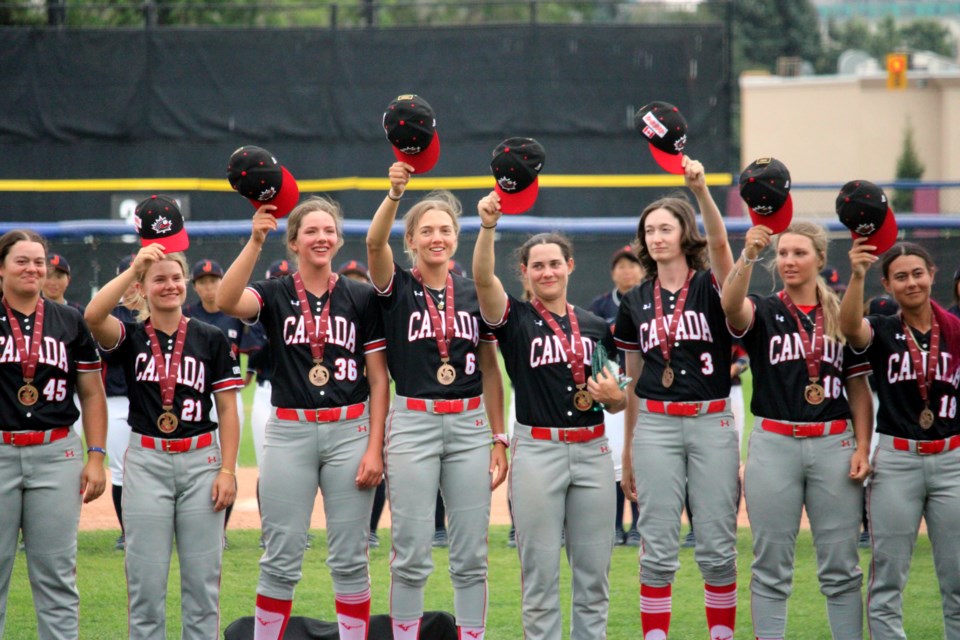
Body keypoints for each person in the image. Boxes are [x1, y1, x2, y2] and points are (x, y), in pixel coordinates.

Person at [218, 196, 388, 640]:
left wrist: (375, 446)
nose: (321, 238)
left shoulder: (360, 295)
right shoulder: (274, 293)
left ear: (337, 239)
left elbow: (378, 378)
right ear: (293, 242)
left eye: (328, 230)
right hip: (291, 430)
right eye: (310, 231)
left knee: (351, 557)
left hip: (351, 430)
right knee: (280, 556)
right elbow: (225, 299)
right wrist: (256, 240)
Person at [473, 196, 625, 638]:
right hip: (538, 451)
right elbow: (483, 279)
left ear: (570, 266)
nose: (547, 272)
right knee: (539, 579)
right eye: (536, 266)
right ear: (524, 273)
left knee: (593, 579)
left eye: (554, 263)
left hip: (594, 450)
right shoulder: (514, 318)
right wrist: (487, 229)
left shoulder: (595, 325)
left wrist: (616, 397)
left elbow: (613, 399)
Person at [366, 162, 507, 640]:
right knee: (410, 551)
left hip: (469, 425)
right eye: (426, 231)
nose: (436, 237)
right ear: (411, 240)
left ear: (456, 237)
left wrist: (499, 436)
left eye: (445, 229)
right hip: (413, 422)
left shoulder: (474, 292)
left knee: (471, 554)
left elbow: (491, 369)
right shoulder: (397, 288)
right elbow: (372, 245)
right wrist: (394, 194)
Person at [722, 221, 873, 640]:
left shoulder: (842, 312)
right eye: (783, 253)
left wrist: (862, 446)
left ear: (821, 259)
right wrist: (749, 255)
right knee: (770, 564)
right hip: (775, 442)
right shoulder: (765, 309)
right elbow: (731, 308)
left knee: (842, 565)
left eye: (799, 253)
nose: (788, 261)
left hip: (833, 443)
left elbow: (858, 386)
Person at [85, 243, 241, 640]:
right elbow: (92, 315)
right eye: (159, 279)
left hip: (201, 461)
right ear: (142, 287)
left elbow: (226, 410)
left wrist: (227, 469)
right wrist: (136, 267)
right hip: (147, 461)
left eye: (176, 278)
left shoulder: (211, 337)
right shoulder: (131, 336)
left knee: (202, 587)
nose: (170, 285)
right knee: (146, 587)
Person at [614, 157, 740, 639]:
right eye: (649, 231)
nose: (656, 237)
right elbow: (632, 377)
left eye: (666, 228)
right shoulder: (635, 298)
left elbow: (724, 247)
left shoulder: (711, 285)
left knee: (716, 545)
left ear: (686, 233)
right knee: (658, 543)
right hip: (656, 427)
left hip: (710, 421)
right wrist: (628, 448)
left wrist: (702, 191)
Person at [840, 240, 960, 640]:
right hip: (897, 460)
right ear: (888, 286)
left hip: (952, 461)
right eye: (901, 277)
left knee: (958, 580)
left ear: (932, 276)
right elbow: (848, 327)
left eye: (918, 274)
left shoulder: (956, 330)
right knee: (887, 578)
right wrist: (857, 275)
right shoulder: (883, 330)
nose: (912, 283)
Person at [0, 229, 107, 640]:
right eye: (22, 261)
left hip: (55, 452)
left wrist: (95, 455)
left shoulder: (69, 320)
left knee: (57, 576)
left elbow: (92, 392)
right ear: (3, 268)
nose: (33, 269)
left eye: (39, 261)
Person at [183, 257, 249, 547]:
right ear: (195, 286)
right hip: (193, 392)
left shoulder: (234, 314)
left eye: (214, 281)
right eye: (203, 282)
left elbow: (257, 343)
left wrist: (254, 370)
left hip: (227, 391)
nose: (210, 288)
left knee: (226, 462)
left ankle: (219, 531)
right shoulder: (187, 314)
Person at [589, 244, 644, 546]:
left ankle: (637, 525)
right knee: (612, 459)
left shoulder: (648, 302)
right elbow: (596, 347)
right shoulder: (600, 306)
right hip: (613, 389)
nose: (627, 270)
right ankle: (613, 526)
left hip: (642, 388)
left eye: (632, 265)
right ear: (613, 273)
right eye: (621, 266)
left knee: (637, 455)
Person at [101, 253, 144, 551]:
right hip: (116, 400)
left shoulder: (157, 315)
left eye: (137, 278)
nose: (132, 286)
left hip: (149, 402)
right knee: (120, 470)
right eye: (127, 278)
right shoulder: (109, 318)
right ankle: (127, 531)